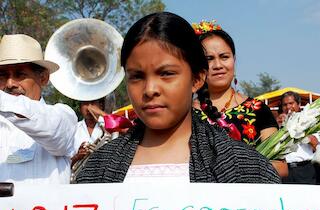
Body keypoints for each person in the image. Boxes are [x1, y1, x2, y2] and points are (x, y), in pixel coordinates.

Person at [76, 12, 280, 184]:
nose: (150, 89)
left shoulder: (245, 168)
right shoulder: (97, 169)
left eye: (166, 73)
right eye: (137, 76)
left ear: (197, 78)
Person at [193, 21, 287, 177]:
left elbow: (281, 166)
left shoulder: (257, 109)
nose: (218, 65)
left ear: (234, 60)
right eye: (209, 59)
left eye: (224, 57)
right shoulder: (186, 115)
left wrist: (234, 170)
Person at [0, 34, 77, 184]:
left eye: (20, 74)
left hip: (46, 208)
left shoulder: (63, 117)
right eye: (2, 76)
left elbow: (52, 129)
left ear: (43, 78)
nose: (10, 84)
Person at [280, 91, 319, 184]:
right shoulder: (279, 124)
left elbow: (315, 143)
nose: (288, 107)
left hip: (304, 169)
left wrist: (299, 130)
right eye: (285, 105)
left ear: (299, 104)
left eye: (291, 103)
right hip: (285, 170)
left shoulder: (308, 121)